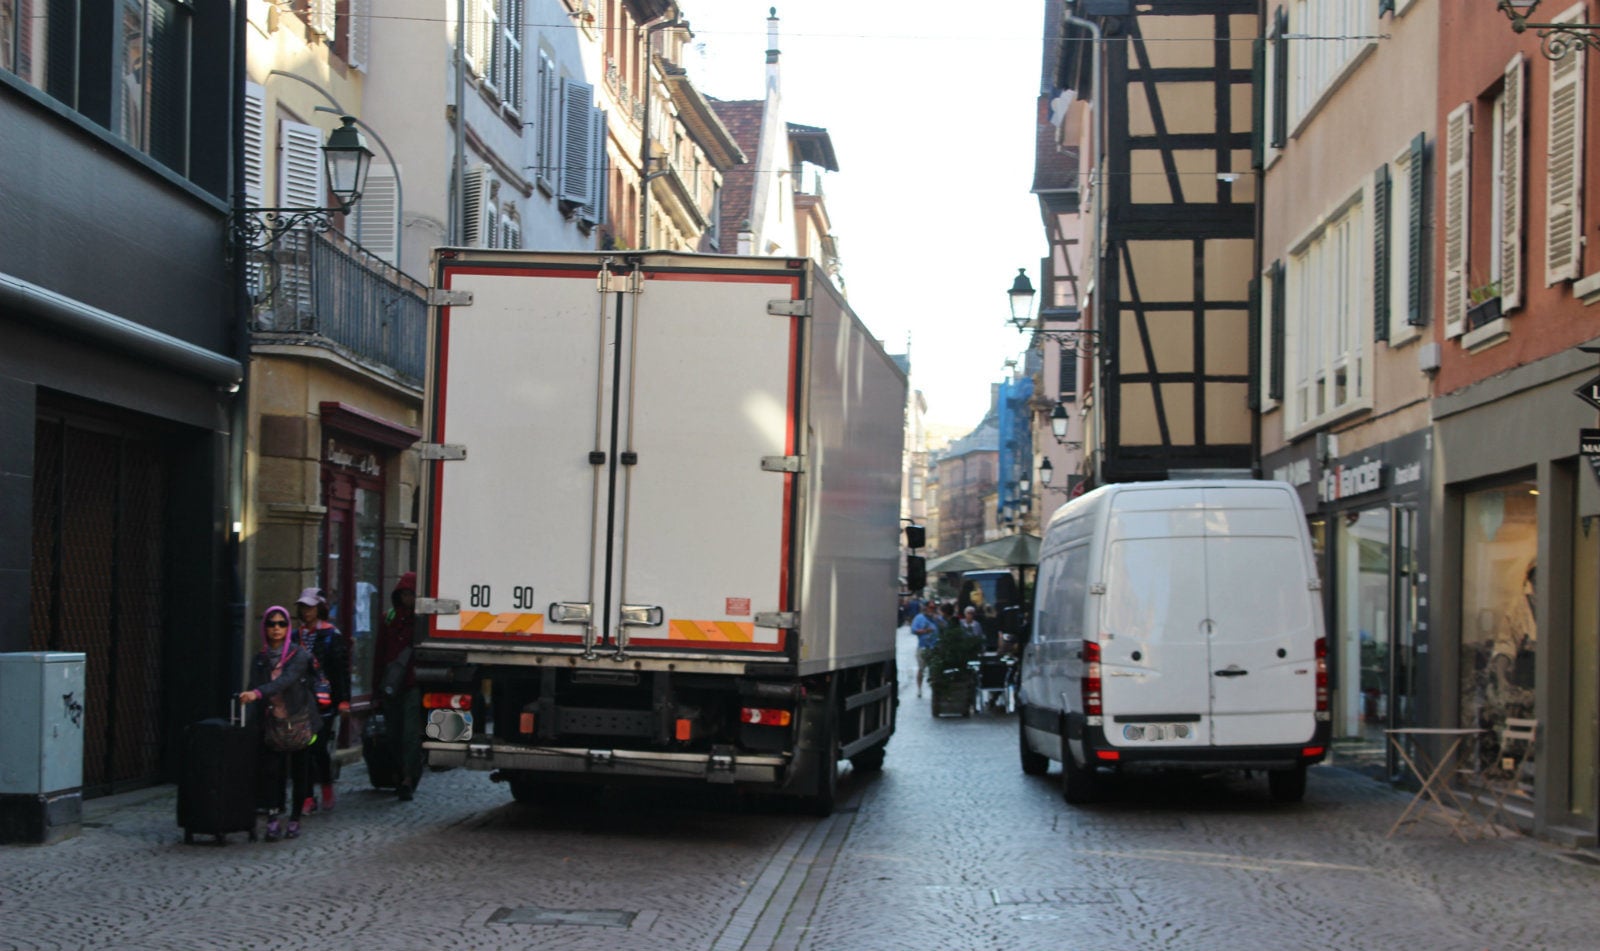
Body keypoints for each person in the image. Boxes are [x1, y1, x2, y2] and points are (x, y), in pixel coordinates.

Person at [239, 605, 316, 841]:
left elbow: (285, 681)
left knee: (300, 772)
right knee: (271, 773)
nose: (276, 628)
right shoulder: (260, 659)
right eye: (271, 624)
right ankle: (273, 818)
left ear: (288, 627)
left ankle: (295, 819)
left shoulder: (298, 655)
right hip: (271, 723)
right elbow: (253, 685)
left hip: (299, 720)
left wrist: (257, 694)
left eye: (281, 624)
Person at [294, 587, 349, 815]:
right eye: (303, 607)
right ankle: (307, 795)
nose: (306, 612)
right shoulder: (295, 635)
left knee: (317, 747)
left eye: (310, 607)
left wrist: (343, 700)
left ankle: (325, 785)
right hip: (299, 700)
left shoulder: (331, 635)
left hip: (324, 701)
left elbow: (341, 670)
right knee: (303, 749)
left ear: (319, 609)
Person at [374, 571, 422, 801]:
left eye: (410, 594)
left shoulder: (422, 621)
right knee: (393, 733)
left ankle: (408, 778)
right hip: (392, 685)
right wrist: (377, 689)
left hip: (413, 683)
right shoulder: (389, 619)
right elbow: (380, 654)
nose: (407, 598)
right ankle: (400, 773)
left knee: (410, 734)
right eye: (404, 594)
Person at [909, 600, 943, 698]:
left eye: (934, 608)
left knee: (934, 670)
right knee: (921, 669)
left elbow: (944, 627)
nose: (932, 609)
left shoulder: (937, 618)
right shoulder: (919, 618)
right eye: (931, 607)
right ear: (926, 608)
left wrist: (938, 620)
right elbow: (913, 630)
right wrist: (925, 631)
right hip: (923, 646)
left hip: (935, 647)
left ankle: (934, 690)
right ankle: (919, 689)